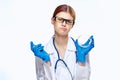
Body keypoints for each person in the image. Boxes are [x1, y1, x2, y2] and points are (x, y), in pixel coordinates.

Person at [30, 4, 94, 80]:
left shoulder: (81, 50)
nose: (64, 24)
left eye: (68, 21)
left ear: (72, 25)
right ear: (53, 21)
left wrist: (81, 61)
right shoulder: (42, 53)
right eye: (60, 19)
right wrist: (47, 62)